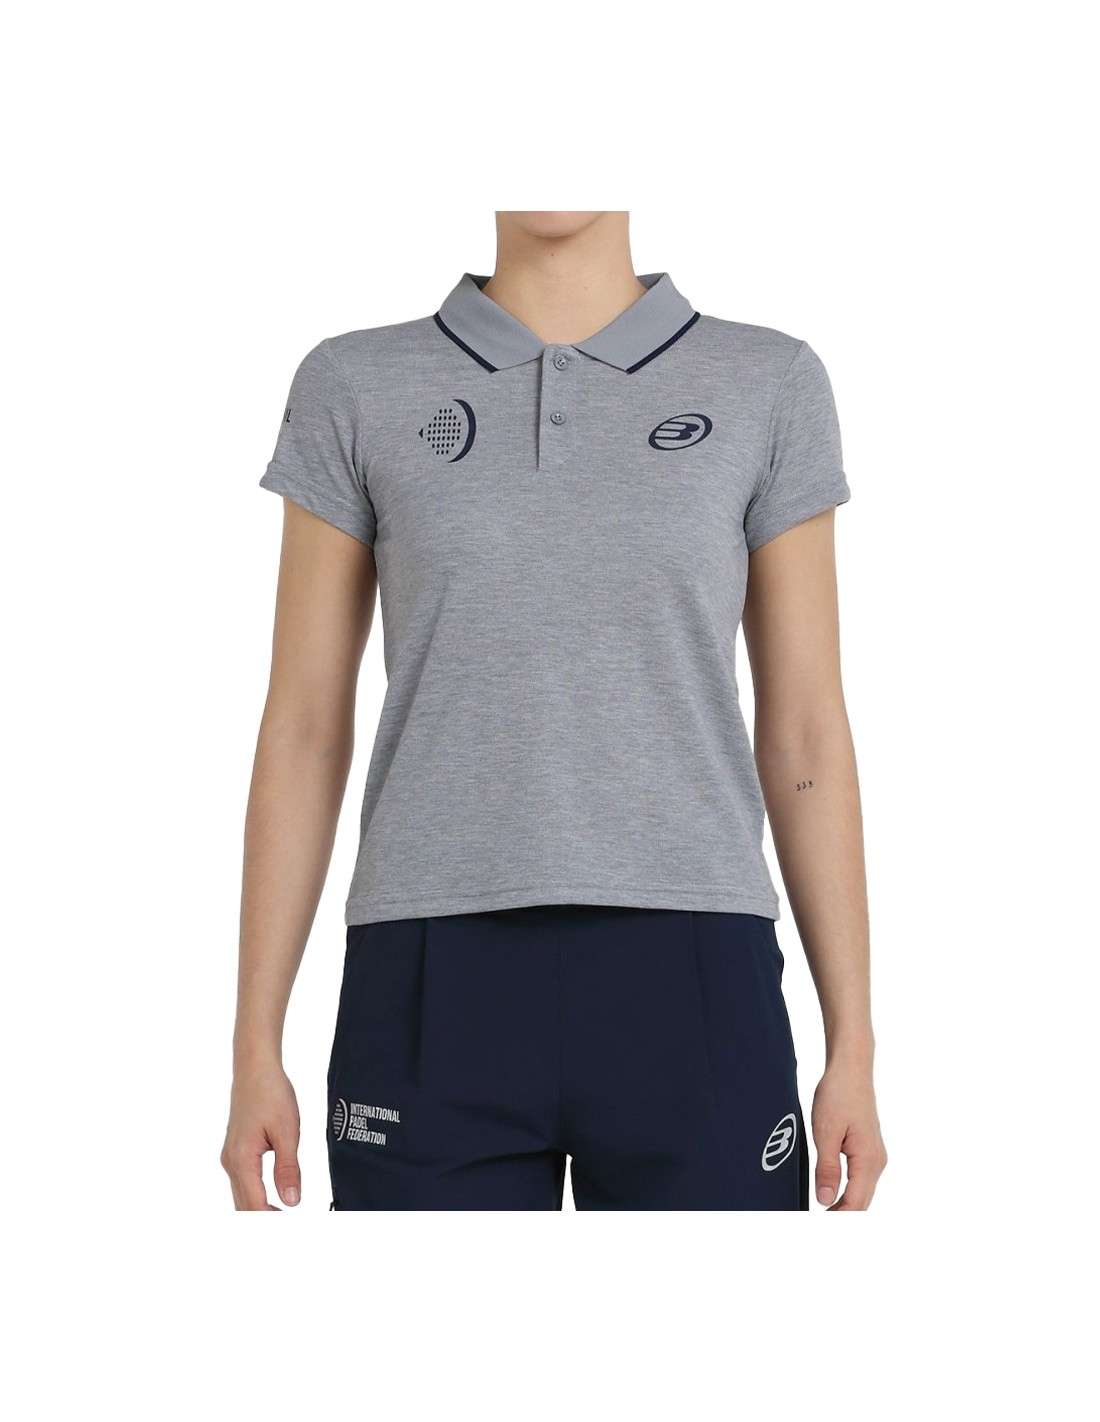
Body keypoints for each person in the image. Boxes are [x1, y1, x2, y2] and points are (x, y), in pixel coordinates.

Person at [220, 211, 887, 1211]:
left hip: (695, 968)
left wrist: (854, 1048)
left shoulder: (768, 382)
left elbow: (804, 732)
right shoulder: (352, 383)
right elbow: (305, 726)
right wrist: (253, 1048)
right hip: (427, 969)